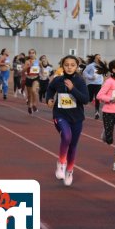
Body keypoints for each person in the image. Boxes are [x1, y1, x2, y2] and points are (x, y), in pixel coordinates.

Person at [46, 55, 90, 187]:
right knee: (66, 136)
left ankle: (69, 171)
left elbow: (85, 100)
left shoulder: (80, 82)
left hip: (76, 118)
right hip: (60, 115)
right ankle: (61, 163)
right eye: (66, 65)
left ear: (77, 67)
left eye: (72, 65)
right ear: (62, 66)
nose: (69, 67)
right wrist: (49, 99)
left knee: (73, 146)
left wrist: (72, 89)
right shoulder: (57, 80)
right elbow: (50, 89)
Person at [83, 54, 105, 119]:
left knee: (97, 98)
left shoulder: (101, 66)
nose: (98, 59)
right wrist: (90, 77)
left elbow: (103, 74)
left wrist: (103, 80)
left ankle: (97, 112)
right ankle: (81, 109)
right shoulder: (90, 66)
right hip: (91, 84)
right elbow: (84, 72)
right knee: (89, 99)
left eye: (99, 58)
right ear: (94, 59)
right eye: (97, 58)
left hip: (98, 84)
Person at [24, 49, 40, 115]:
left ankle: (34, 104)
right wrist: (28, 66)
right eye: (30, 53)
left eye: (33, 53)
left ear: (35, 54)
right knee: (29, 94)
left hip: (36, 78)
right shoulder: (27, 61)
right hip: (28, 78)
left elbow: (42, 68)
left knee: (34, 90)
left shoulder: (38, 62)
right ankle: (29, 106)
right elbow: (23, 70)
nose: (31, 54)